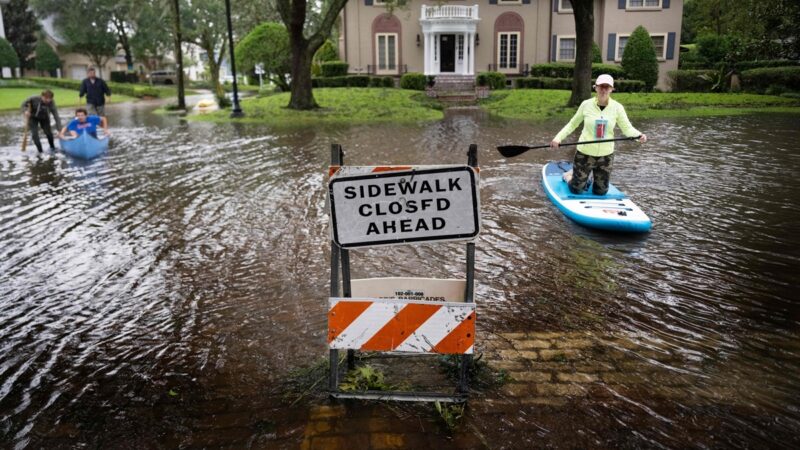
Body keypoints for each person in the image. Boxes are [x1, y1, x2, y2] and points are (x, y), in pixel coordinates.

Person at [550, 74, 647, 196]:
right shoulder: (586, 105)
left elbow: (627, 129)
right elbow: (572, 124)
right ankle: (568, 176)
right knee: (577, 189)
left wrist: (639, 136)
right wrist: (558, 138)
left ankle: (587, 178)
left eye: (607, 87)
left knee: (600, 192)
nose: (604, 89)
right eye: (601, 86)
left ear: (612, 89)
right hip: (585, 154)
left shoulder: (617, 108)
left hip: (606, 156)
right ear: (595, 87)